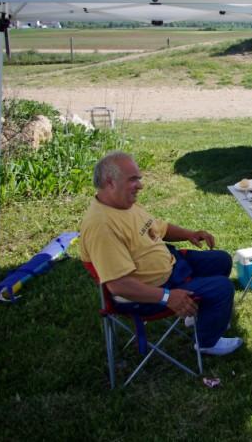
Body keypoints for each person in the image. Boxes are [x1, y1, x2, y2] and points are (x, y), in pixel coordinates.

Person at [79, 151, 243, 356]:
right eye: (133, 180)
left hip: (172, 267)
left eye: (139, 178)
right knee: (222, 288)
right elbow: (119, 285)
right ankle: (207, 342)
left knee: (221, 260)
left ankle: (200, 315)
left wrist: (190, 234)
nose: (140, 185)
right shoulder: (102, 226)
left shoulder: (124, 203)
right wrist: (167, 297)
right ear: (110, 182)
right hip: (147, 295)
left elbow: (158, 228)